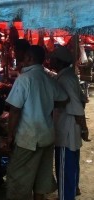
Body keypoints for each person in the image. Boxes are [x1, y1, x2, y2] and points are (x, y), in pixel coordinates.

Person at [6, 45, 68, 200]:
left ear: (29, 58)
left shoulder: (24, 79)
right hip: (46, 135)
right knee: (41, 179)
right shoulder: (48, 78)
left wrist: (9, 134)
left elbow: (14, 110)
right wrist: (47, 104)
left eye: (25, 56)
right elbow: (64, 98)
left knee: (17, 178)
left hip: (29, 137)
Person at [50, 46, 90, 200]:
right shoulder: (68, 76)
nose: (50, 60)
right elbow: (83, 100)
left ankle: (66, 196)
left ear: (59, 62)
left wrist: (84, 128)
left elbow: (77, 106)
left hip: (66, 131)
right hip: (71, 128)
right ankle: (74, 190)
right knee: (72, 163)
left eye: (53, 58)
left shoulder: (65, 79)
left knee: (65, 167)